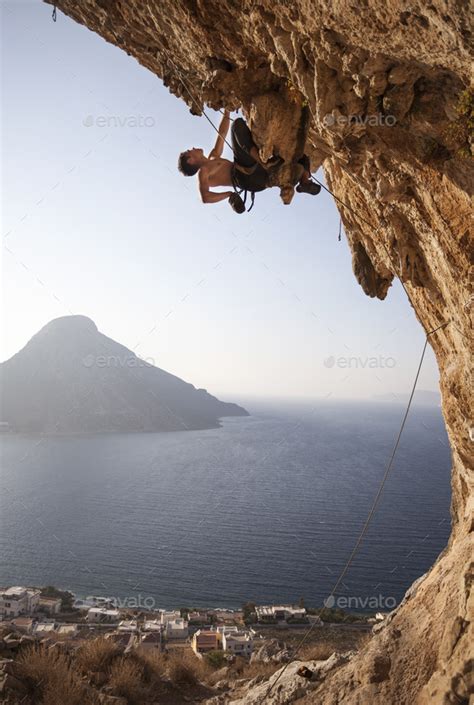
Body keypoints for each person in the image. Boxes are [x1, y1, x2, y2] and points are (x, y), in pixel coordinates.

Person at [177, 110, 320, 209]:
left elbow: (222, 133)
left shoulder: (213, 157)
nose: (193, 148)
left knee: (298, 155)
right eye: (190, 151)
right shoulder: (204, 171)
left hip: (258, 179)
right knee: (237, 126)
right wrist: (229, 195)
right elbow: (205, 198)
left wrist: (227, 111)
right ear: (191, 161)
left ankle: (304, 182)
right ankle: (263, 161)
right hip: (244, 177)